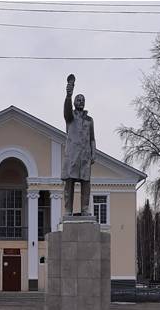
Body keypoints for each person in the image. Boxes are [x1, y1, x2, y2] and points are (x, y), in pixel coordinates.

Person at [62, 74, 95, 216]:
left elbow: (92, 138)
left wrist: (93, 153)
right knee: (69, 182)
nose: (80, 101)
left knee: (85, 183)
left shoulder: (89, 120)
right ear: (74, 102)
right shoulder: (70, 117)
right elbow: (67, 110)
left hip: (85, 156)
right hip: (72, 154)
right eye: (78, 99)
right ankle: (68, 210)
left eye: (82, 100)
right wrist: (69, 95)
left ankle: (84, 209)